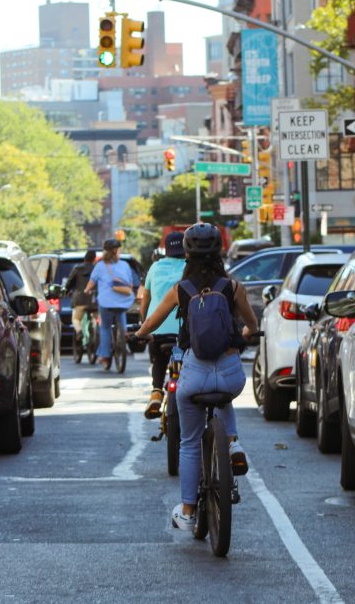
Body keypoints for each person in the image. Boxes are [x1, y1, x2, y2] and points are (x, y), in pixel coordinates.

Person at [132, 223, 259, 532]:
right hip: (230, 375)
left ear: (187, 253)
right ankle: (231, 442)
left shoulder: (181, 289)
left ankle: (188, 511)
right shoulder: (232, 286)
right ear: (219, 253)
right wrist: (245, 333)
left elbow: (151, 322)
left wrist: (137, 334)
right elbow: (251, 325)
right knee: (224, 394)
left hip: (194, 375)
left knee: (188, 444)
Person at [139, 231, 186, 419]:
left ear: (166, 250)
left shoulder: (155, 267)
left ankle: (156, 392)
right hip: (184, 331)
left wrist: (144, 323)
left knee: (158, 358)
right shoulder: (191, 268)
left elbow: (146, 299)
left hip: (157, 329)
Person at [84, 239, 139, 370]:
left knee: (105, 327)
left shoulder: (100, 265)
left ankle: (104, 356)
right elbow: (130, 283)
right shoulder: (125, 265)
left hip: (106, 301)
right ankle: (123, 332)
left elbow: (91, 283)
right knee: (121, 313)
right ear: (118, 250)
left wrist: (86, 290)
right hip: (124, 299)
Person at [64, 250, 97, 337]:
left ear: (84, 259)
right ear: (94, 259)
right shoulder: (97, 269)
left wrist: (65, 292)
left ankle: (79, 331)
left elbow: (69, 283)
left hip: (79, 300)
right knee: (97, 318)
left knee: (76, 319)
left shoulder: (77, 268)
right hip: (95, 301)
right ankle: (97, 332)